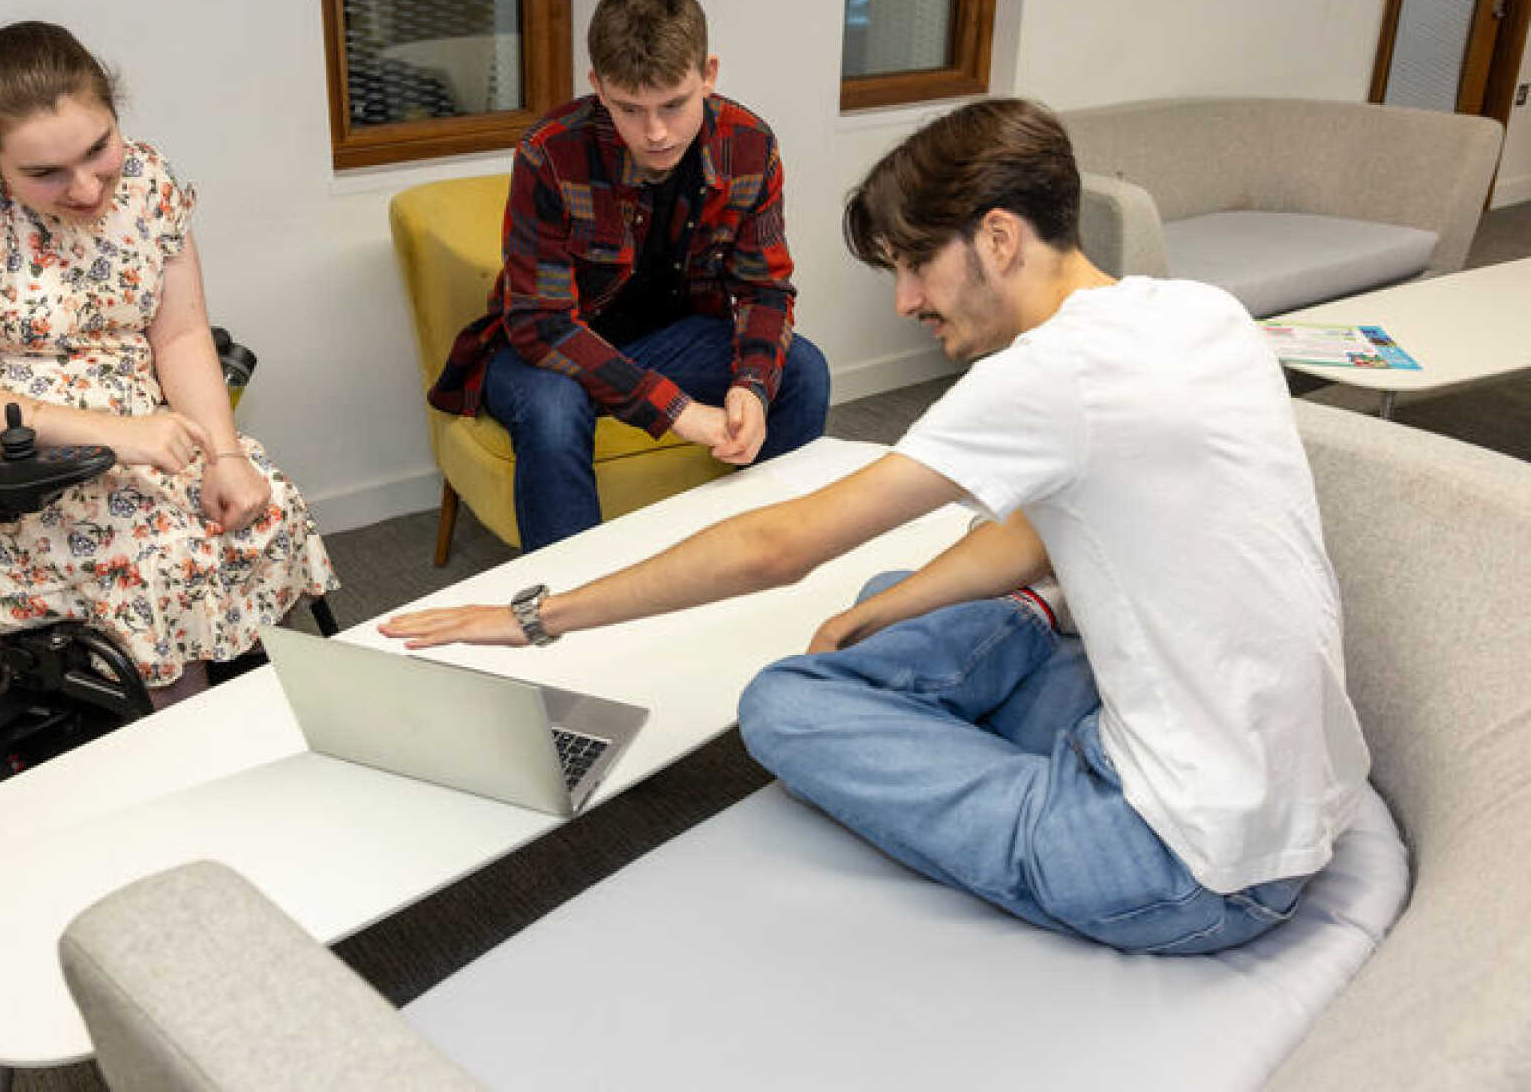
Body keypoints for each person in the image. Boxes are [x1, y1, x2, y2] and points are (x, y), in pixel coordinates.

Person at [383, 97, 1371, 955]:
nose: (905, 302)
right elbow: (1033, 533)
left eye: (912, 268)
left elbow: (777, 545)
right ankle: (955, 654)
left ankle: (962, 701)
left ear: (996, 238)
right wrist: (889, 608)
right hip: (1294, 793)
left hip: (1182, 864)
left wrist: (536, 615)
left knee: (780, 705)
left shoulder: (1047, 374)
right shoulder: (1199, 313)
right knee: (880, 607)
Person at [0, 21, 337, 707]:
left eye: (98, 149)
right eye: (44, 173)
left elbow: (180, 335)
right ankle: (186, 757)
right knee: (154, 561)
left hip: (139, 435)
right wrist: (112, 434)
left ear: (114, 113)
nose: (85, 188)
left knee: (265, 507)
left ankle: (281, 717)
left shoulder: (146, 181)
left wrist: (225, 455)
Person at [426, 0, 830, 550]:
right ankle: (568, 604)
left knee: (802, 369)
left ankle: (769, 554)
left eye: (674, 104)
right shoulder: (548, 153)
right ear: (597, 87)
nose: (657, 132)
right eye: (630, 109)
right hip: (542, 351)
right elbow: (540, 325)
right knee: (552, 409)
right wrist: (680, 412)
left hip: (669, 340)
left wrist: (751, 386)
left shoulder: (751, 144)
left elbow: (764, 287)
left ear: (709, 74)